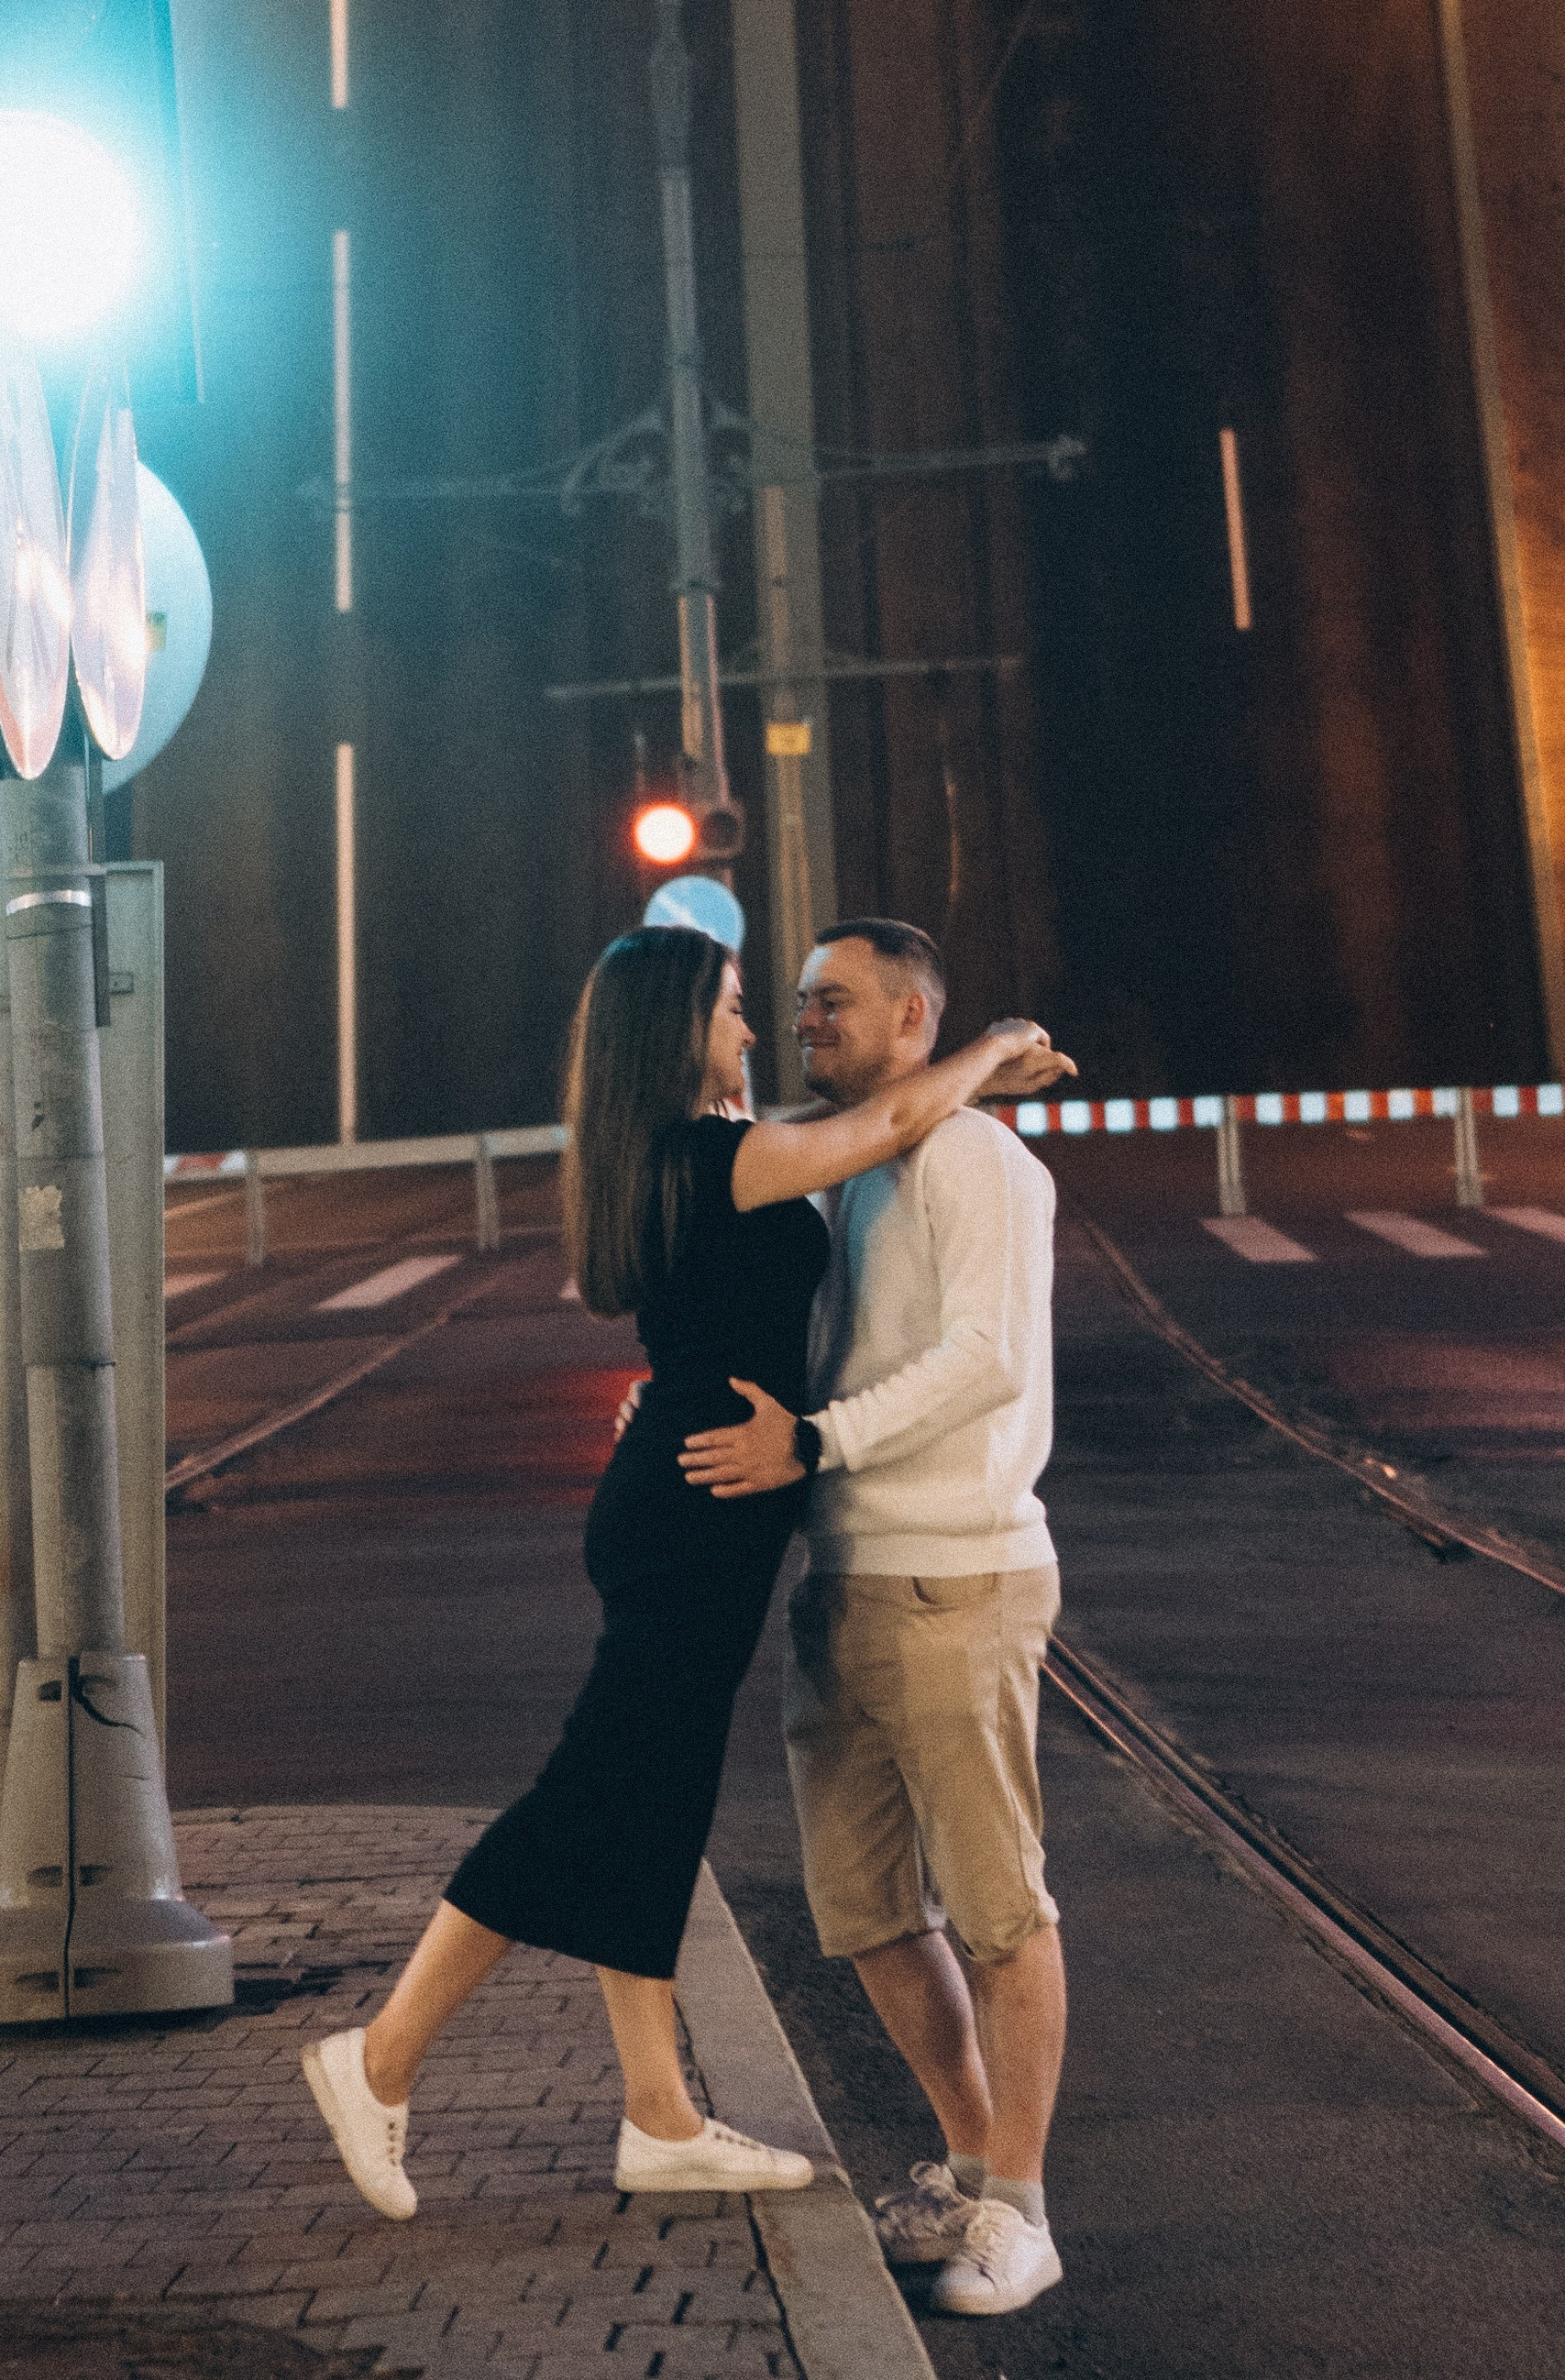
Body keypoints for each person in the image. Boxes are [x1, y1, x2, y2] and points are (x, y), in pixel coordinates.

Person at [301, 921, 1069, 2223]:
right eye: (731, 1007)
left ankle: (659, 2115)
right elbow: (878, 1136)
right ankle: (376, 2060)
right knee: (587, 1796)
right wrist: (990, 1046)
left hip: (690, 1498)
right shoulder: (722, 1156)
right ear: (676, 1029)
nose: (757, 1028)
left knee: (651, 1804)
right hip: (701, 1510)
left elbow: (766, 1286)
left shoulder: (661, 1157)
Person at [678, 918, 1070, 2319]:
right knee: (863, 1914)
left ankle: (1019, 2211)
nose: (804, 1023)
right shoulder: (841, 1171)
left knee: (999, 1909)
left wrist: (820, 1443)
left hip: (957, 1573)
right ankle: (969, 2161)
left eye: (833, 1002)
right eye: (792, 1005)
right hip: (839, 1576)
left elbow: (984, 1360)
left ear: (916, 1016)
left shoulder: (978, 1161)